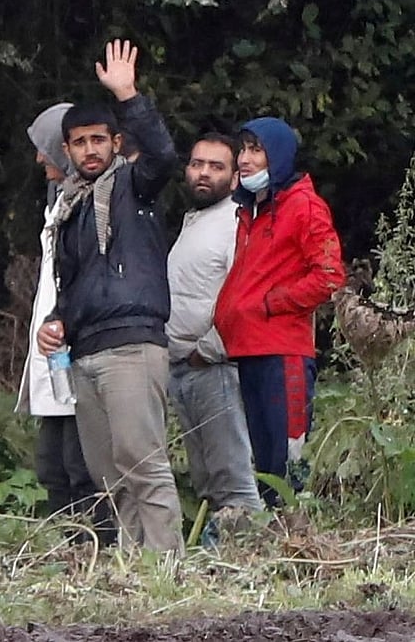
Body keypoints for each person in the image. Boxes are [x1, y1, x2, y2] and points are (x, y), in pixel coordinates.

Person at [35, 40, 184, 552]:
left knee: (145, 464)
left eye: (99, 139)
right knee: (108, 476)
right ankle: (134, 570)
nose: (90, 150)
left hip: (132, 344)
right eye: (79, 143)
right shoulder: (70, 206)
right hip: (87, 350)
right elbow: (72, 284)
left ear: (117, 142)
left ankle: (168, 573)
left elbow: (164, 156)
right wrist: (55, 321)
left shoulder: (133, 188)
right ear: (68, 149)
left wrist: (129, 94)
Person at [213, 117, 345, 507]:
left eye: (256, 150)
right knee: (265, 464)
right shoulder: (253, 210)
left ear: (278, 156)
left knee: (287, 462)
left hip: (282, 350)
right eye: (243, 150)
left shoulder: (303, 206)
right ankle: (274, 544)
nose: (245, 159)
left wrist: (274, 304)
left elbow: (330, 274)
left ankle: (297, 544)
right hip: (250, 348)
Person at [168, 134, 263, 535]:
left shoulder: (236, 223)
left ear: (234, 177)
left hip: (216, 367)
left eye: (216, 166)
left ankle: (249, 562)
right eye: (196, 163)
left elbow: (246, 297)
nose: (203, 173)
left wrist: (208, 350)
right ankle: (213, 564)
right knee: (207, 478)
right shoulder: (196, 219)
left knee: (233, 479)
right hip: (182, 367)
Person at [18, 102, 97, 519]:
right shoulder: (59, 200)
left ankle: (92, 546)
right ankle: (63, 546)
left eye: (44, 148)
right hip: (54, 352)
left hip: (78, 347)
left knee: (80, 464)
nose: (38, 158)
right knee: (52, 462)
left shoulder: (94, 201)